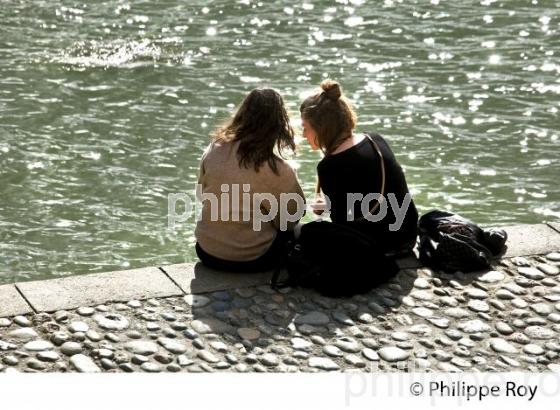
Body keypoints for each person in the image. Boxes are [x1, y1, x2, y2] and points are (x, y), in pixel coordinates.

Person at [299, 79, 418, 256]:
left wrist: (328, 208)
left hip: (379, 245)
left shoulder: (329, 166)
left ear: (321, 129)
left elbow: (342, 224)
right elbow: (370, 190)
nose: (303, 134)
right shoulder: (375, 140)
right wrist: (331, 204)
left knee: (306, 233)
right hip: (407, 236)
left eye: (305, 128)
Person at [195, 88, 305, 272]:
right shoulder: (278, 169)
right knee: (298, 232)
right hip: (254, 258)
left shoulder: (214, 149)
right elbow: (290, 220)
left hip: (206, 252)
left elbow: (201, 193)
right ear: (279, 124)